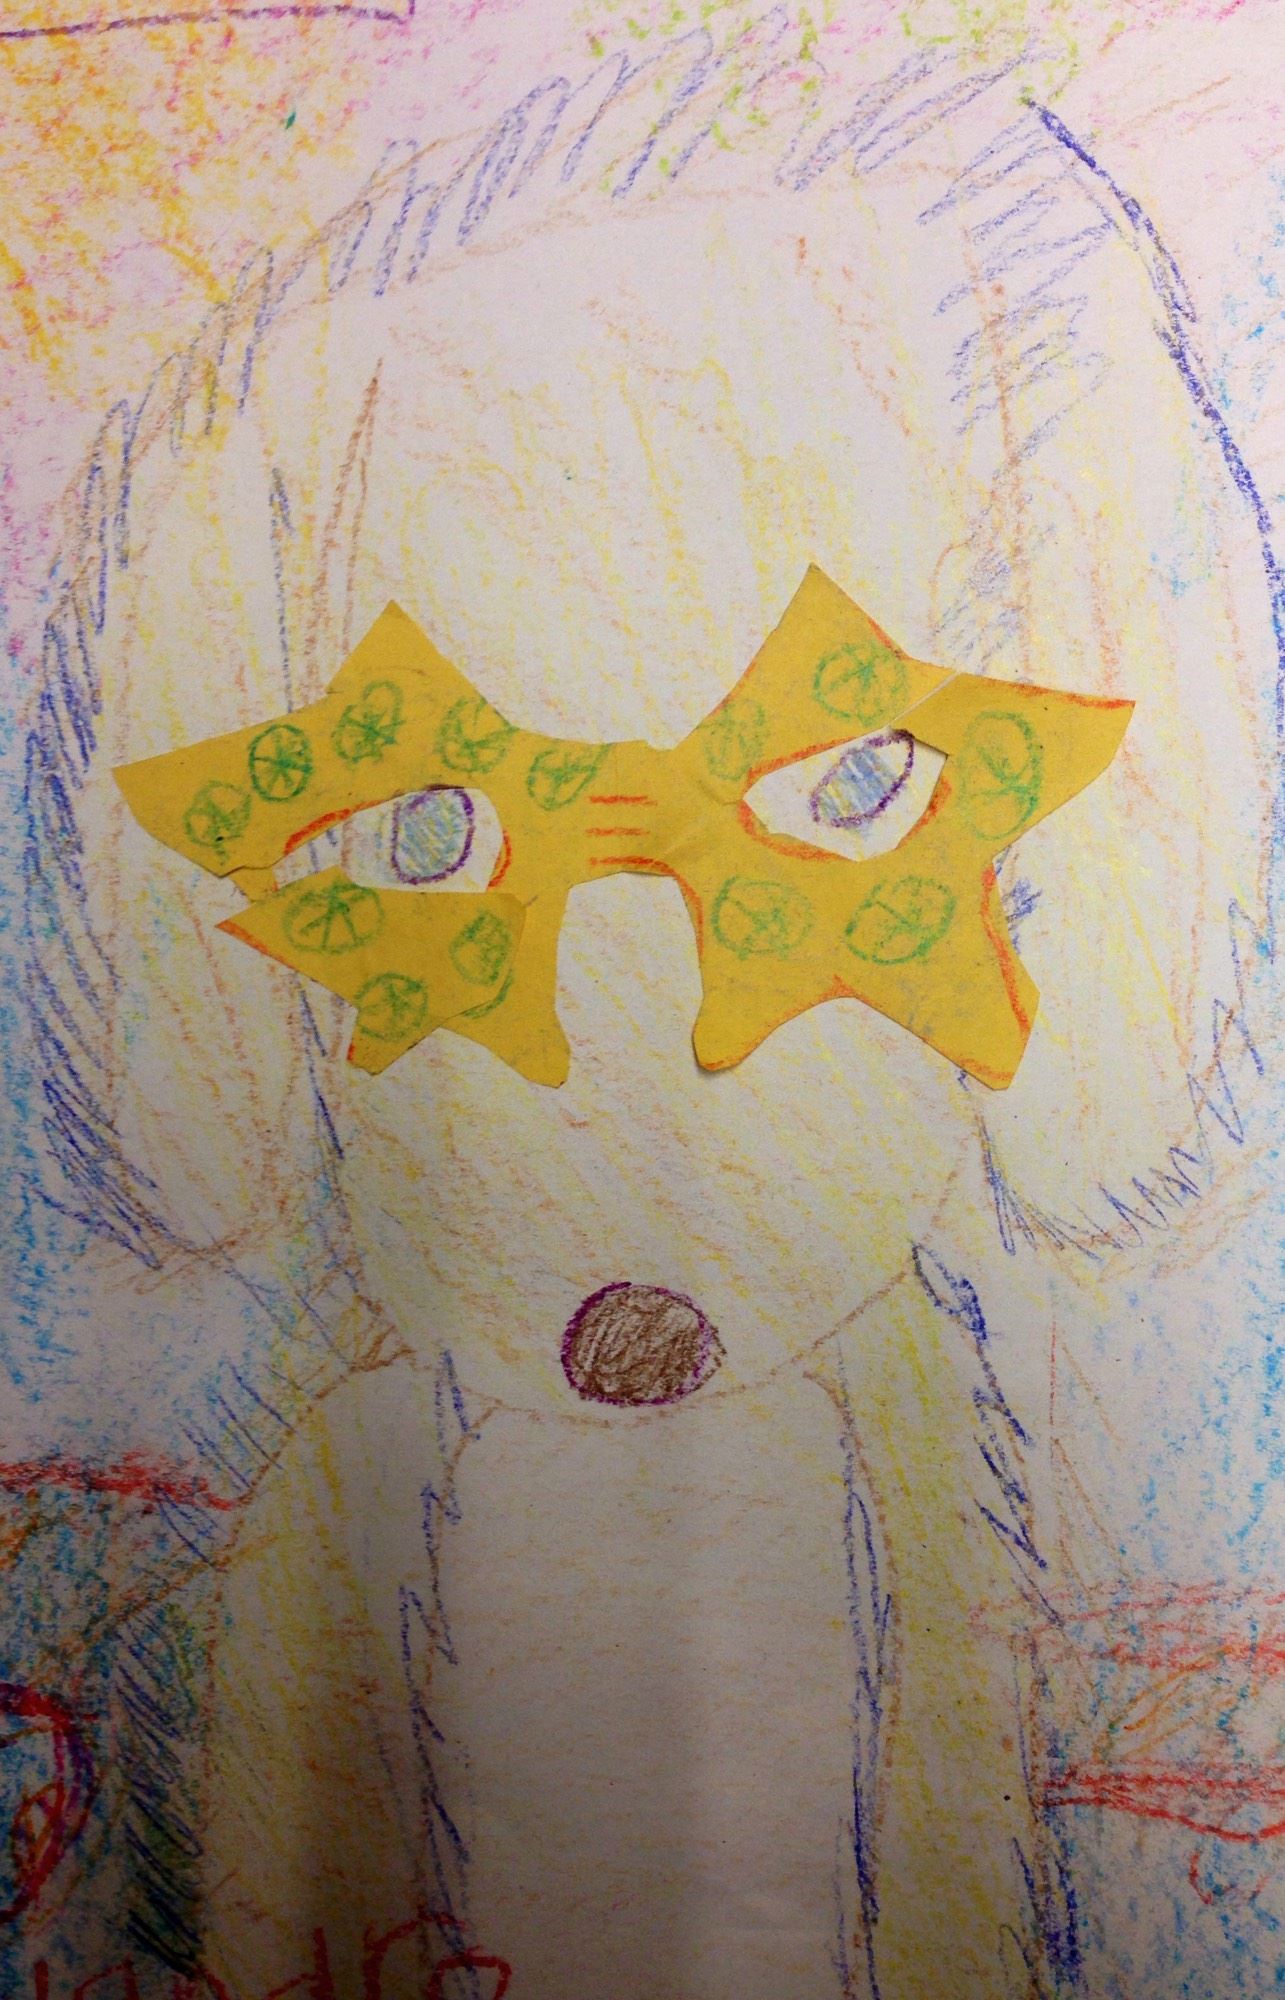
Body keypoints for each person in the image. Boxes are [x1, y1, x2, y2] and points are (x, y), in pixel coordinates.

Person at [48, 64, 1271, 2000]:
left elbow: (949, 1895)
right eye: (435, 833)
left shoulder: (924, 1474)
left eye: (846, 787)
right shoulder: (343, 1496)